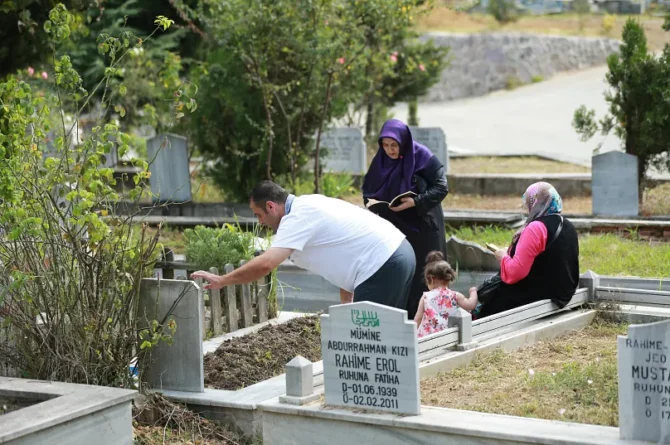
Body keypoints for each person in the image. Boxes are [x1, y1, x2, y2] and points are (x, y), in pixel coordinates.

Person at [191, 181, 416, 310]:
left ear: (271, 206)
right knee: (386, 337)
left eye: (259, 215)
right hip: (399, 252)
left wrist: (223, 280)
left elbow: (266, 263)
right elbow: (347, 248)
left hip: (383, 264)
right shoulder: (310, 202)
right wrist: (347, 304)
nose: (260, 222)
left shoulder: (297, 218)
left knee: (368, 343)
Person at [362, 118, 448, 320]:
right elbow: (368, 190)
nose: (390, 150)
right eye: (385, 145)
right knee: (402, 276)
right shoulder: (380, 161)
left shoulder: (422, 156)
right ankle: (405, 323)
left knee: (425, 275)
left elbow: (441, 186)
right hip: (396, 229)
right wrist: (373, 204)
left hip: (423, 228)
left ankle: (431, 323)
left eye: (394, 145)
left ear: (404, 141)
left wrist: (416, 201)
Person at [475, 182, 580, 318]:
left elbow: (515, 273)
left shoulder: (536, 228)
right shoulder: (567, 225)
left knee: (483, 308)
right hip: (563, 291)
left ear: (535, 202)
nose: (525, 206)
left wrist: (502, 256)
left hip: (538, 294)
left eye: (528, 201)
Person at [415, 251, 478, 338]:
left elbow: (418, 317)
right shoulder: (455, 296)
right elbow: (471, 305)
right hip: (448, 337)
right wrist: (473, 292)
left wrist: (411, 333)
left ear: (431, 279)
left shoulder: (426, 297)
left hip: (427, 338)